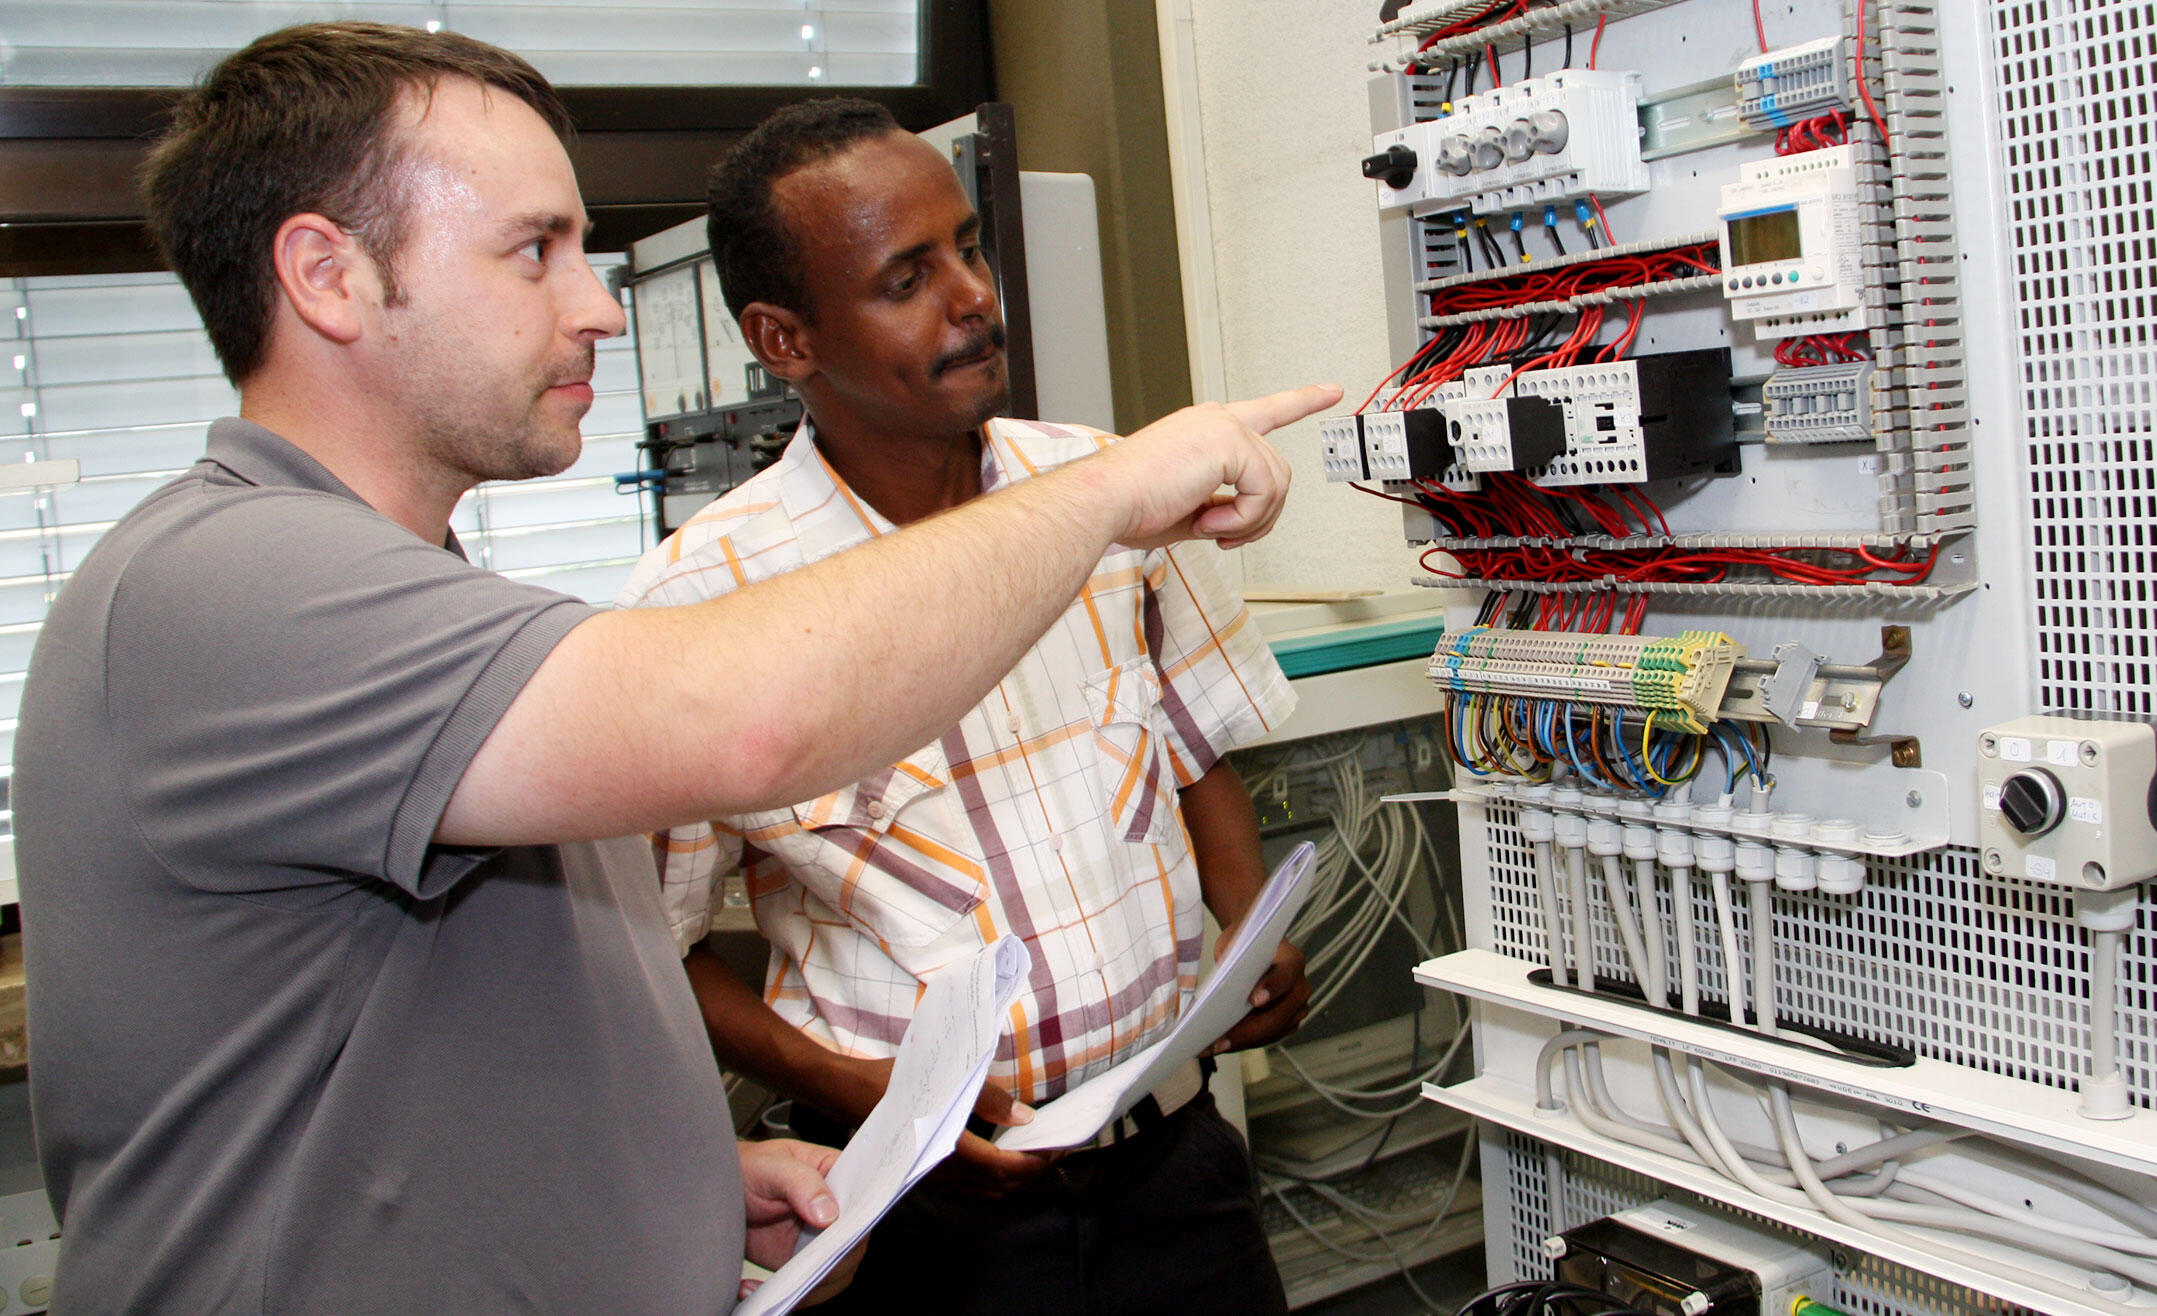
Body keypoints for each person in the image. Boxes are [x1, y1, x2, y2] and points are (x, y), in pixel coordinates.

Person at [10, 24, 1335, 1316]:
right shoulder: (230, 589)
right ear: (328, 275)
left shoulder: (429, 612)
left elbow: (446, 1058)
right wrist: (1113, 491)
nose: (596, 304)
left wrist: (676, 1181)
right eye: (536, 250)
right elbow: (750, 722)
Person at [615, 98, 1312, 1316]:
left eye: (969, 248)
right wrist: (856, 1085)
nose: (972, 295)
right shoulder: (700, 601)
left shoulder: (1106, 492)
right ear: (784, 338)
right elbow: (653, 951)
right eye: (905, 278)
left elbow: (1193, 744)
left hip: (1175, 1167)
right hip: (923, 1217)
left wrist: (1249, 920)